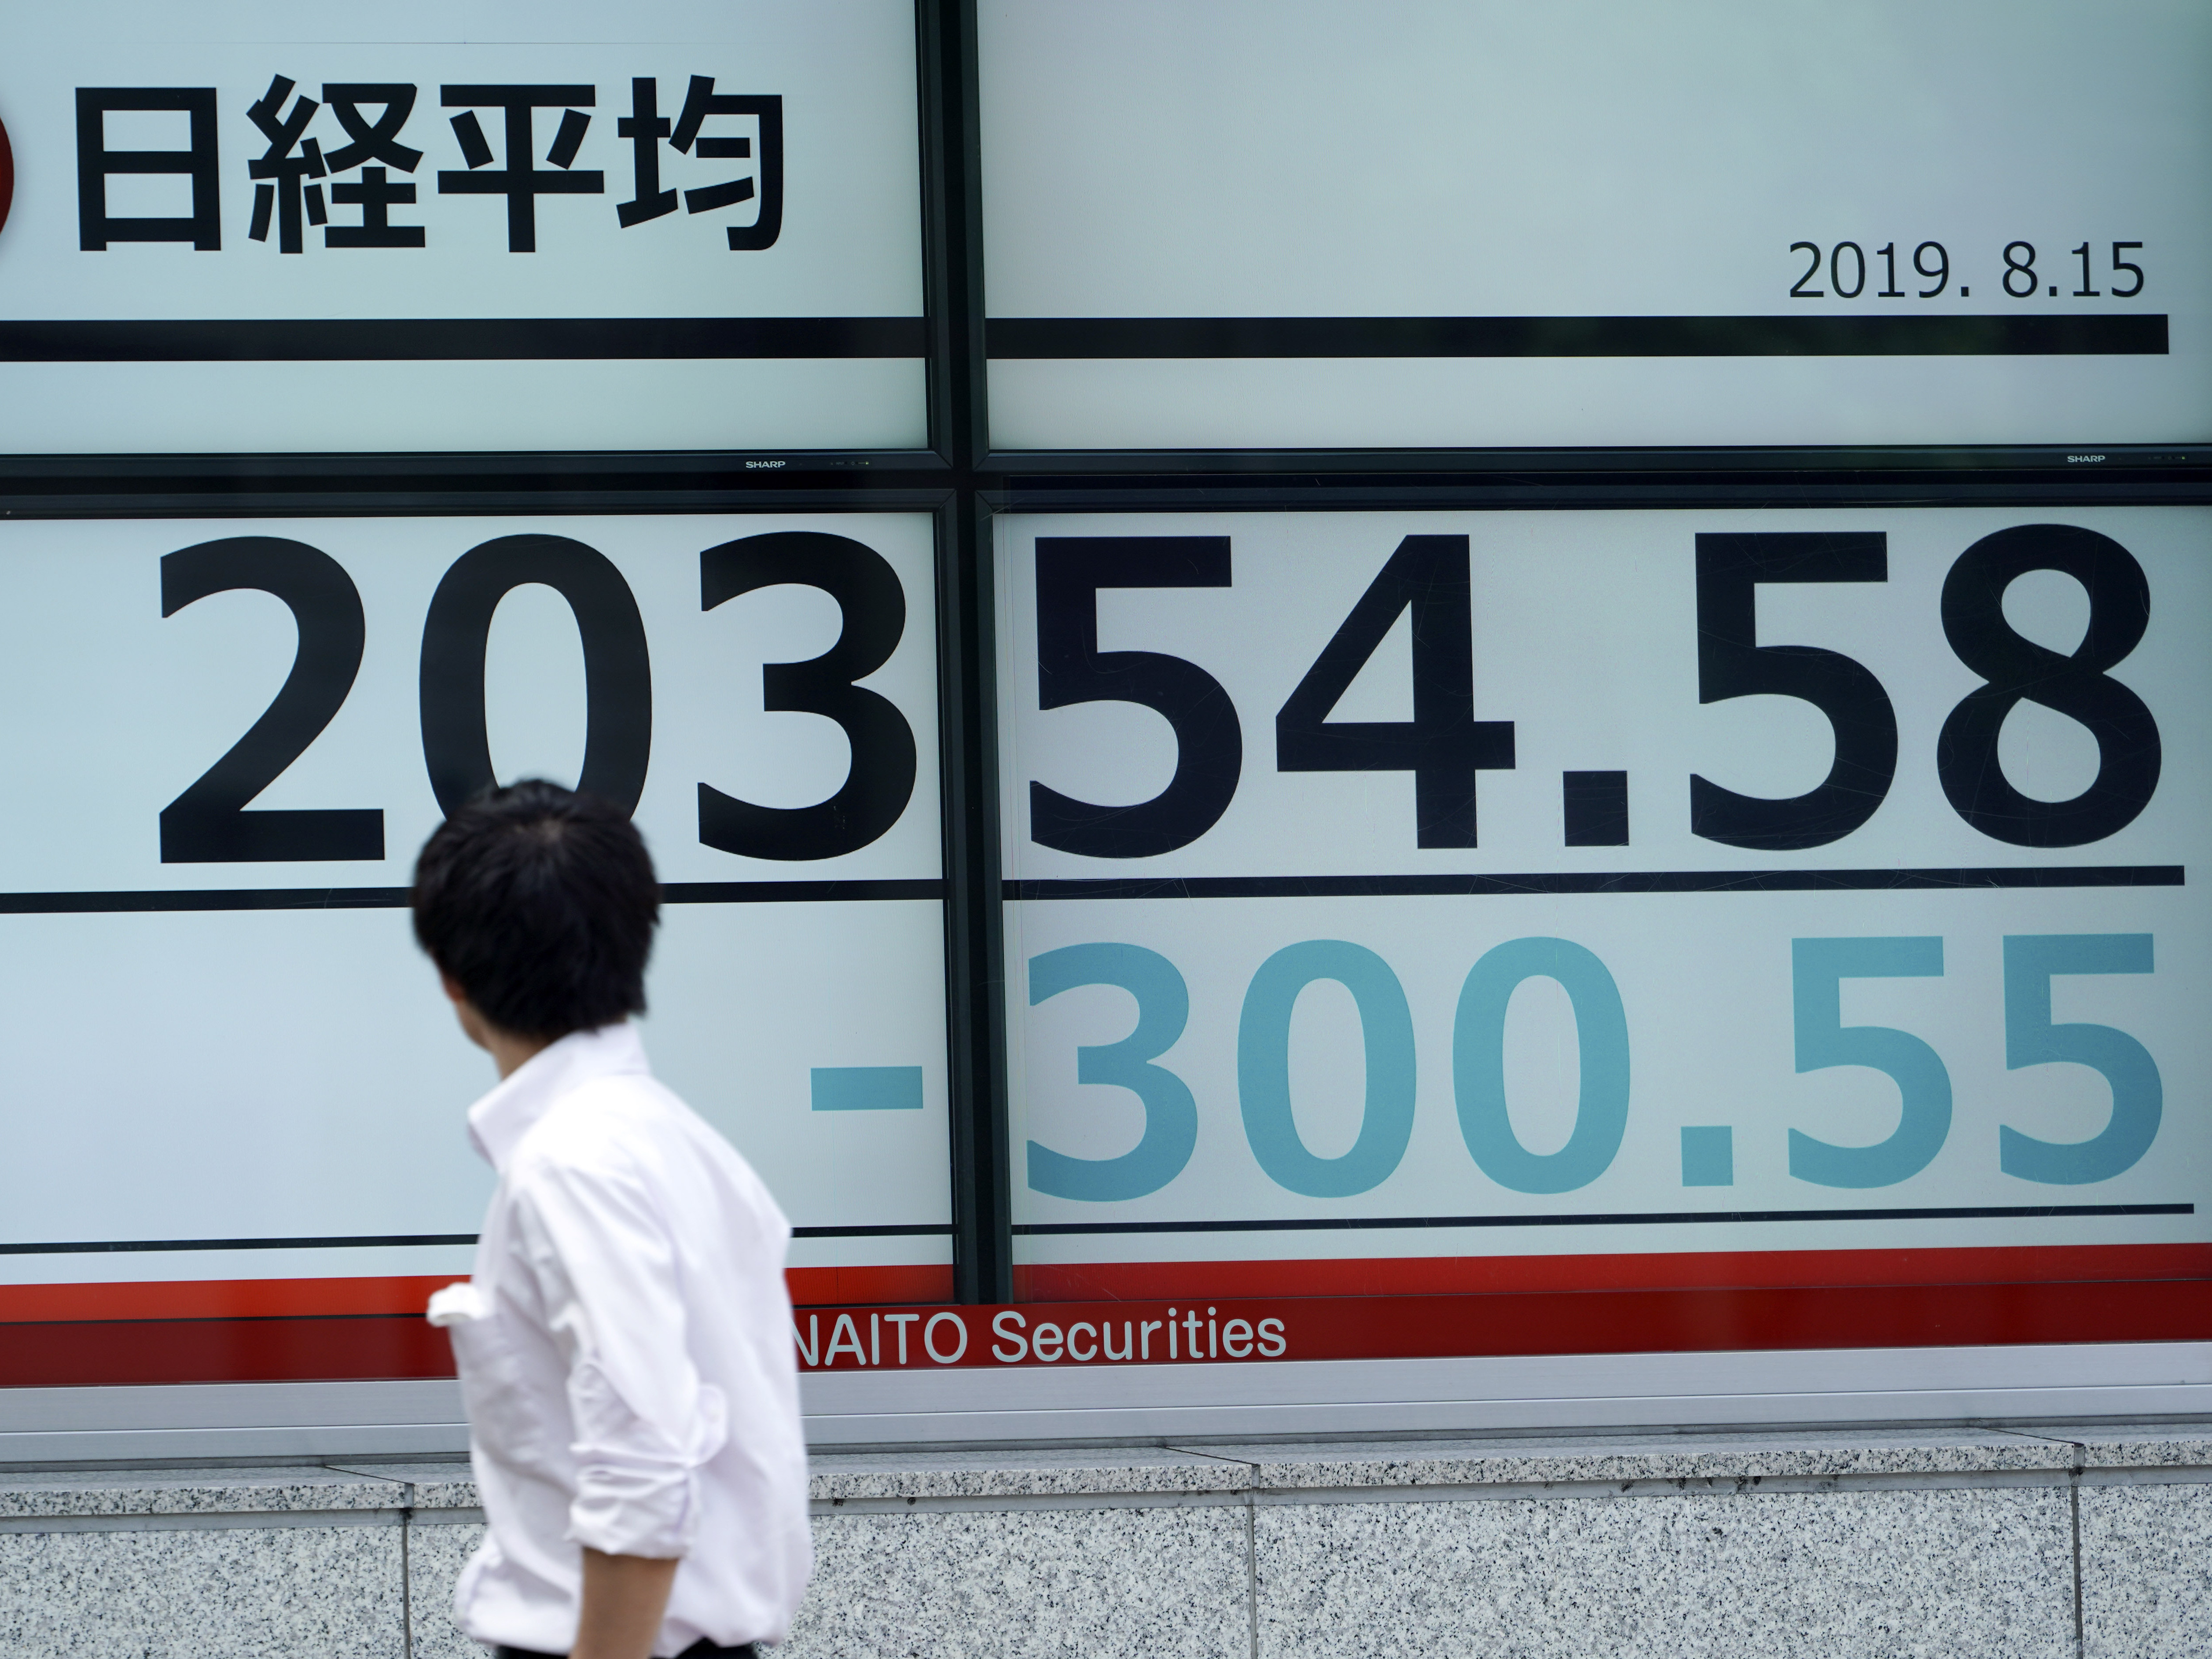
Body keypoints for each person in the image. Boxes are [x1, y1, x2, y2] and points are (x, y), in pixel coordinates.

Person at [414, 780, 811, 1659]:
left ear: (451, 978)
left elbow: (643, 1455)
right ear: (635, 944)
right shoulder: (676, 1140)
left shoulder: (573, 1161)